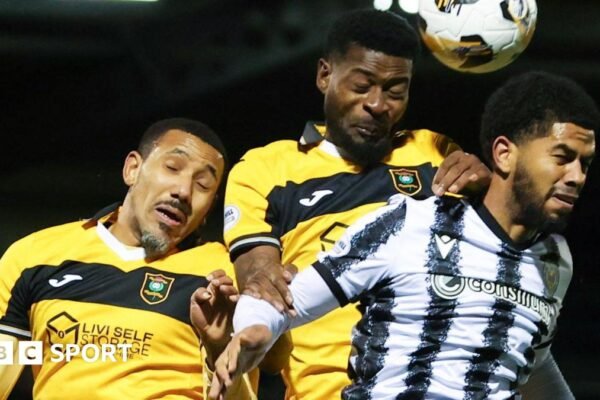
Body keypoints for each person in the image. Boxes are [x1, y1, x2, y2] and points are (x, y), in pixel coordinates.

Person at [210, 70, 599, 399]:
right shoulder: (408, 224)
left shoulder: (555, 261)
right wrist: (253, 329)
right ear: (503, 154)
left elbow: (530, 356)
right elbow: (281, 301)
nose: (577, 177)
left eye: (585, 164)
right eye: (562, 157)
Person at [222, 9, 491, 399]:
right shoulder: (266, 169)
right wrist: (262, 281)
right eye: (362, 86)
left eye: (395, 91)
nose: (378, 104)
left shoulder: (434, 154)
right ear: (325, 75)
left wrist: (490, 195)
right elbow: (260, 280)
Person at [0, 118, 255, 399]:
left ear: (208, 209)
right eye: (172, 168)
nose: (183, 191)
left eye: (203, 184)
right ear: (133, 169)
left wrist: (219, 348)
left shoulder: (225, 279)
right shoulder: (34, 257)